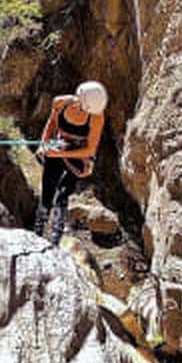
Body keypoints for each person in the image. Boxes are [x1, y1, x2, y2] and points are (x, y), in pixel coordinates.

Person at [34, 81, 108, 245]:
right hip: (58, 145)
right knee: (48, 186)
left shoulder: (96, 116)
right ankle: (39, 227)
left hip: (77, 153)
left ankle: (56, 232)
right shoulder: (60, 103)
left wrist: (61, 153)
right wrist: (43, 143)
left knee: (63, 191)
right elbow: (52, 123)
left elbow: (90, 150)